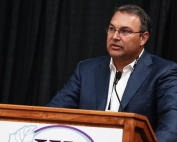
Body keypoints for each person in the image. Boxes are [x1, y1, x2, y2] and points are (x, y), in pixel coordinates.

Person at [47, 5, 177, 141]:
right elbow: (52, 113)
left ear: (143, 38)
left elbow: (171, 126)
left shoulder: (163, 72)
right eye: (111, 29)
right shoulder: (86, 69)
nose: (115, 36)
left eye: (125, 31)